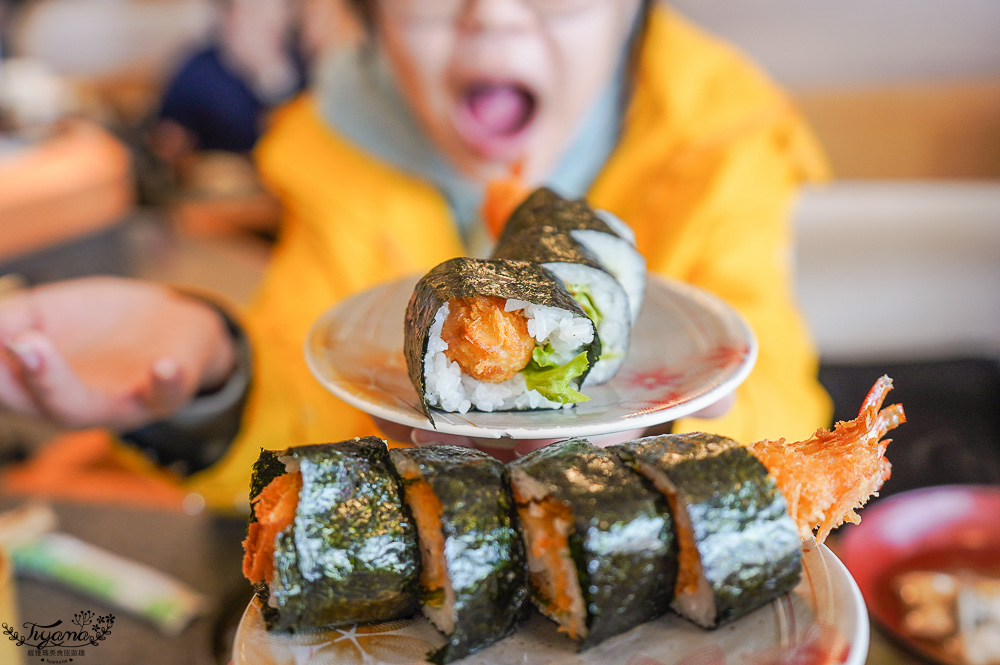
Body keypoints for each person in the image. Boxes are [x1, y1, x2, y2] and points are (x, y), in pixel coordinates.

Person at [0, 0, 832, 512]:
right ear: (367, 14)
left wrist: (678, 417)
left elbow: (783, 410)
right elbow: (316, 405)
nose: (495, 13)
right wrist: (219, 368)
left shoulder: (719, 145)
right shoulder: (332, 150)